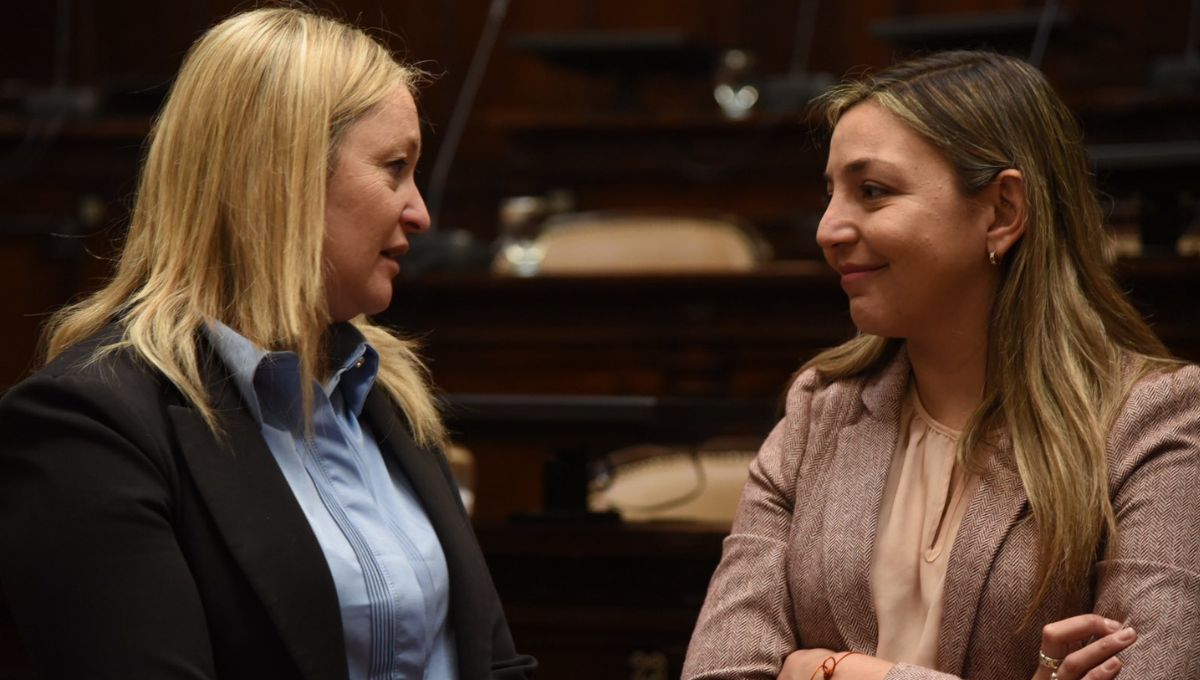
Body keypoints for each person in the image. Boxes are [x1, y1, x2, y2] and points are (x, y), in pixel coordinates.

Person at [0, 7, 535, 679]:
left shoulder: (382, 390)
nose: (421, 213)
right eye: (394, 168)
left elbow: (488, 660)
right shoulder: (89, 426)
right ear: (280, 177)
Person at [683, 50, 1200, 680]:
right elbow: (719, 670)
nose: (827, 229)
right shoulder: (820, 409)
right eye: (831, 194)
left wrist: (825, 671)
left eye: (871, 192)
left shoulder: (1154, 421)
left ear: (1003, 210)